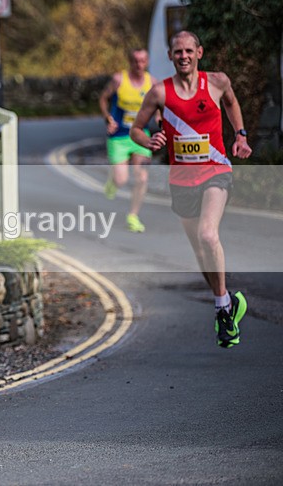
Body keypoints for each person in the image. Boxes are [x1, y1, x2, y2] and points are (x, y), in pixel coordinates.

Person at [129, 30, 252, 348]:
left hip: (216, 171)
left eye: (188, 51)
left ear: (199, 52)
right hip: (181, 180)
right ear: (170, 56)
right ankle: (226, 300)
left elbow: (232, 102)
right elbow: (135, 130)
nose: (183, 56)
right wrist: (149, 140)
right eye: (177, 52)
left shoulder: (217, 82)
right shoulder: (159, 93)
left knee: (208, 236)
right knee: (199, 253)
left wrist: (240, 135)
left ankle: (222, 310)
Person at [98, 48, 160, 233]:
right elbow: (103, 98)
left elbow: (158, 104)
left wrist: (159, 116)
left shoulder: (152, 83)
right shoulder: (119, 80)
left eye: (142, 61)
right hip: (119, 136)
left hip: (140, 136)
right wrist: (107, 117)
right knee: (121, 180)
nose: (139, 65)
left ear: (147, 62)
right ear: (130, 61)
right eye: (135, 61)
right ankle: (113, 181)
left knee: (141, 177)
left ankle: (132, 216)